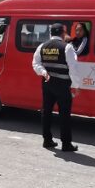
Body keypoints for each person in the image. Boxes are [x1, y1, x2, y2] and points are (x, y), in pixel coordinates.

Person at [32, 23, 81, 152]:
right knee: (64, 114)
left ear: (50, 33)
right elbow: (73, 69)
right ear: (63, 33)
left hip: (47, 84)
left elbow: (35, 63)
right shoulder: (67, 47)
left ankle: (47, 140)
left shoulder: (42, 46)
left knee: (46, 112)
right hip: (63, 85)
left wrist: (43, 72)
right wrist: (75, 86)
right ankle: (66, 144)